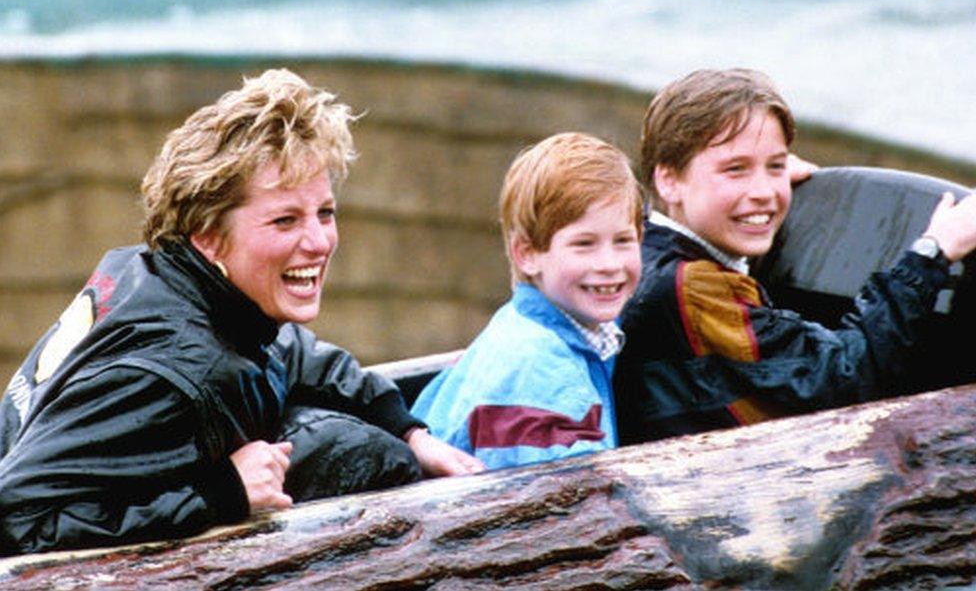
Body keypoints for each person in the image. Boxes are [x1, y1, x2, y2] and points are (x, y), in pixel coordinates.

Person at [0, 68, 483, 555]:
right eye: (284, 220)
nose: (318, 242)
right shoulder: (174, 375)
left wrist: (407, 427)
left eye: (325, 213)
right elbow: (15, 519)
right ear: (208, 236)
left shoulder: (158, 276)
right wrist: (222, 494)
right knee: (372, 459)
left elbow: (287, 351)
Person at [613, 68, 976, 444]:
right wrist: (933, 251)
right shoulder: (693, 286)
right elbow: (843, 379)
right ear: (669, 180)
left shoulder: (639, 249)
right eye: (735, 169)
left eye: (776, 166)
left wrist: (750, 176)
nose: (765, 192)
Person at [411, 132, 642, 469]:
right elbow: (578, 507)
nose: (609, 264)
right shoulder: (545, 378)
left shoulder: (528, 325)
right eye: (584, 244)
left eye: (623, 240)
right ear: (527, 254)